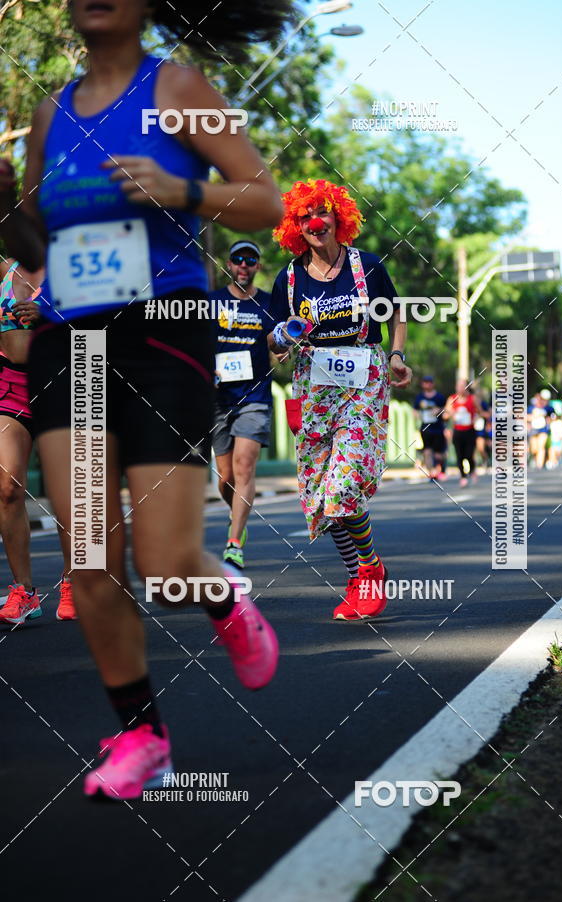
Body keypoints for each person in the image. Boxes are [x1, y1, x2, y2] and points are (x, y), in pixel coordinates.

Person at [0, 0, 291, 800]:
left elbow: (266, 201)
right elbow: (32, 241)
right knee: (90, 554)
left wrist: (181, 190)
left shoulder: (178, 85)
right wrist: (4, 211)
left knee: (164, 567)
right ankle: (139, 732)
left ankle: (222, 599)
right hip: (73, 340)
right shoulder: (49, 111)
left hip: (163, 329)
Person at [268, 179, 412, 621]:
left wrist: (397, 355)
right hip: (313, 384)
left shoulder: (367, 267)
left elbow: (396, 312)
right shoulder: (289, 278)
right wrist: (283, 334)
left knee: (343, 483)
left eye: (323, 213)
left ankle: (370, 571)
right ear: (297, 228)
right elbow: (273, 345)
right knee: (319, 493)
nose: (316, 223)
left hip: (364, 379)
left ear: (338, 218)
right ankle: (357, 575)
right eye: (305, 218)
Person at [0, 260, 75, 624]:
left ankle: (75, 581)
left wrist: (49, 317)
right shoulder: (3, 272)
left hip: (62, 387)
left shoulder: (76, 268)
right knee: (7, 485)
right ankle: (24, 592)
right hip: (9, 389)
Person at [208, 240, 274, 569]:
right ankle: (236, 514)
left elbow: (279, 344)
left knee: (244, 466)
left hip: (255, 397)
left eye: (250, 260)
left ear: (257, 266)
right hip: (218, 399)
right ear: (229, 265)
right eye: (238, 260)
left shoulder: (268, 304)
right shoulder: (211, 302)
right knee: (225, 477)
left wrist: (286, 347)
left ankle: (235, 541)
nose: (244, 265)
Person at [444, 379, 481, 487]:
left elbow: (479, 412)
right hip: (458, 431)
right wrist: (451, 413)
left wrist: (475, 418)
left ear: (467, 387)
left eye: (462, 386)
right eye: (458, 386)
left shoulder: (472, 399)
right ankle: (463, 476)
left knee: (469, 454)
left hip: (469, 430)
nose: (459, 388)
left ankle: (472, 470)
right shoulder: (452, 399)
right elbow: (446, 414)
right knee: (459, 455)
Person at [412, 375, 447, 480]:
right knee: (427, 451)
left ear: (433, 384)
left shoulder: (439, 397)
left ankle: (441, 467)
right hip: (425, 428)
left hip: (438, 428)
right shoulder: (419, 397)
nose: (427, 384)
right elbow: (415, 410)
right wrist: (418, 415)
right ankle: (432, 473)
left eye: (429, 382)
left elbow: (447, 409)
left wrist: (439, 411)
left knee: (438, 454)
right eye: (425, 382)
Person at [527, 392, 553, 469]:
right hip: (533, 430)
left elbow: (552, 416)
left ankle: (539, 465)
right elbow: (525, 417)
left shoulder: (546, 408)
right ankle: (536, 460)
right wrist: (532, 417)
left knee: (541, 447)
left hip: (543, 430)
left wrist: (549, 419)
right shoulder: (531, 408)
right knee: (534, 449)